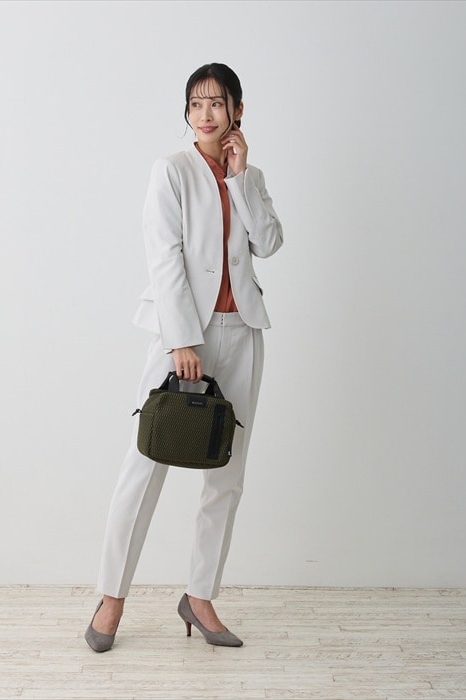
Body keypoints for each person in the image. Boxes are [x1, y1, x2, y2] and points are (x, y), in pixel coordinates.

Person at [85, 62, 283, 652]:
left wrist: (240, 179)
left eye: (217, 103)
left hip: (242, 333)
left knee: (227, 475)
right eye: (196, 104)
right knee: (145, 464)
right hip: (184, 338)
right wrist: (180, 341)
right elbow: (163, 256)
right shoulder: (170, 171)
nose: (205, 114)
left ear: (238, 111)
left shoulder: (251, 176)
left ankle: (199, 597)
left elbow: (269, 242)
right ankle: (112, 597)